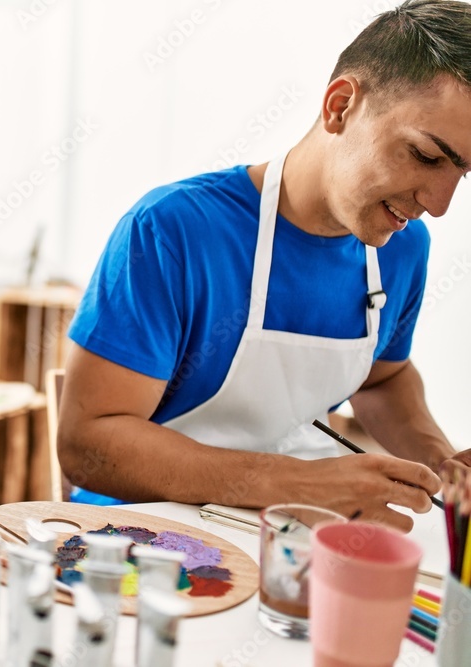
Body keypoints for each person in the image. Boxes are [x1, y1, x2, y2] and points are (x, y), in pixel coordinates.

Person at [58, 0, 471, 531]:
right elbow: (87, 444)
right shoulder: (175, 230)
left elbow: (382, 381)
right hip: (147, 538)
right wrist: (297, 482)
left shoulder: (401, 247)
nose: (438, 203)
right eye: (425, 156)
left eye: (462, 173)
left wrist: (440, 464)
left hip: (292, 538)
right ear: (340, 106)